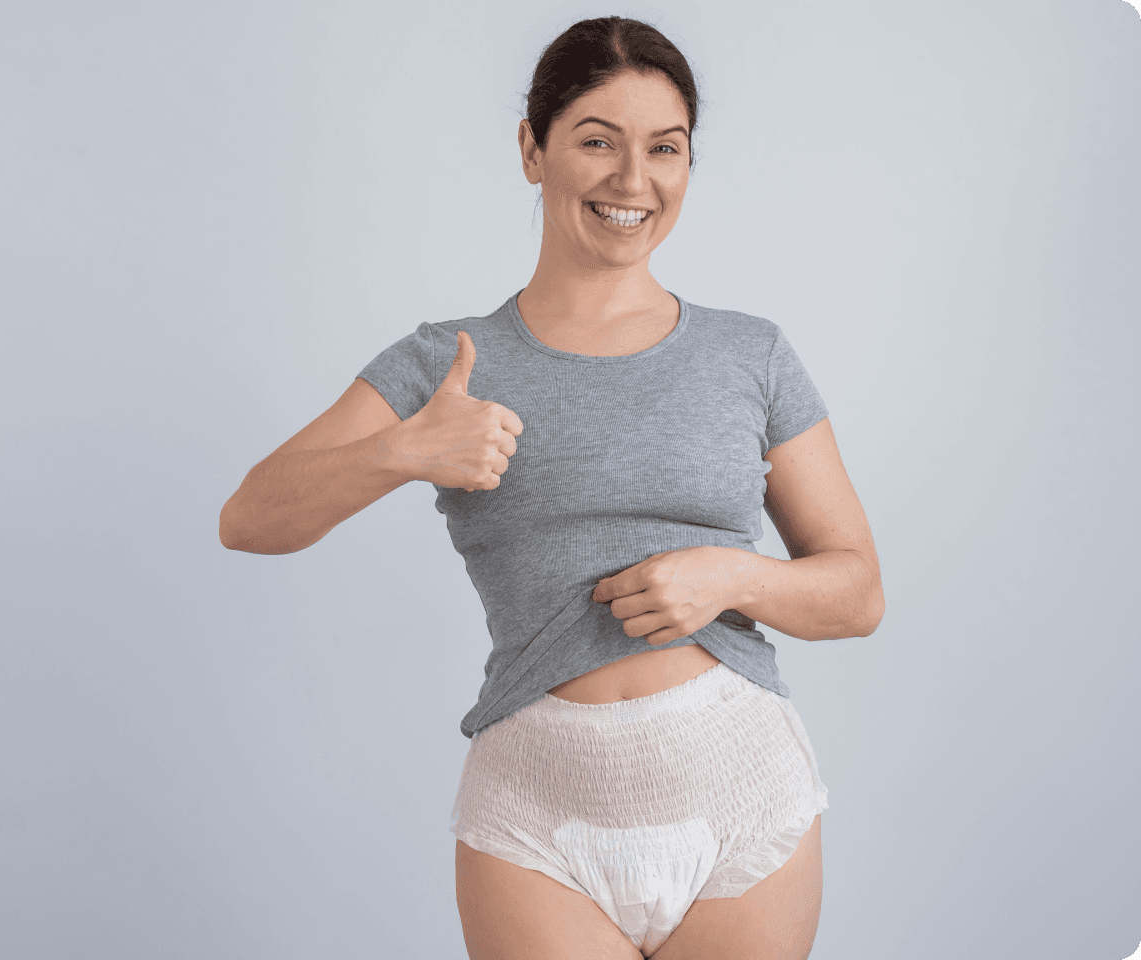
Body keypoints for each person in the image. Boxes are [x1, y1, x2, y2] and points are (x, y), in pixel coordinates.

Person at [219, 15, 883, 960]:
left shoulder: (753, 354)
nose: (632, 181)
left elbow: (858, 592)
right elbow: (248, 517)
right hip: (536, 820)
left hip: (743, 800)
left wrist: (731, 577)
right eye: (596, 142)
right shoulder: (447, 362)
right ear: (533, 151)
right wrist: (403, 450)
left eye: (665, 149)